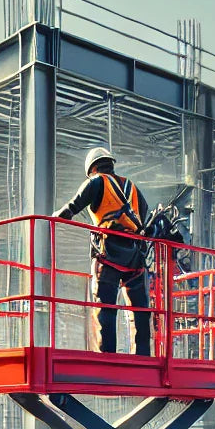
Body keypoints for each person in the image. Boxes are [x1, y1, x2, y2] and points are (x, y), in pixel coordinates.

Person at [53, 146, 151, 356]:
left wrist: (53, 218)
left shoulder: (96, 181)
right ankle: (142, 356)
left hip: (109, 252)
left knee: (105, 306)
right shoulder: (132, 187)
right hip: (135, 256)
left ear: (92, 168)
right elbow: (145, 215)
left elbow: (71, 207)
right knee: (140, 310)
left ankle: (107, 355)